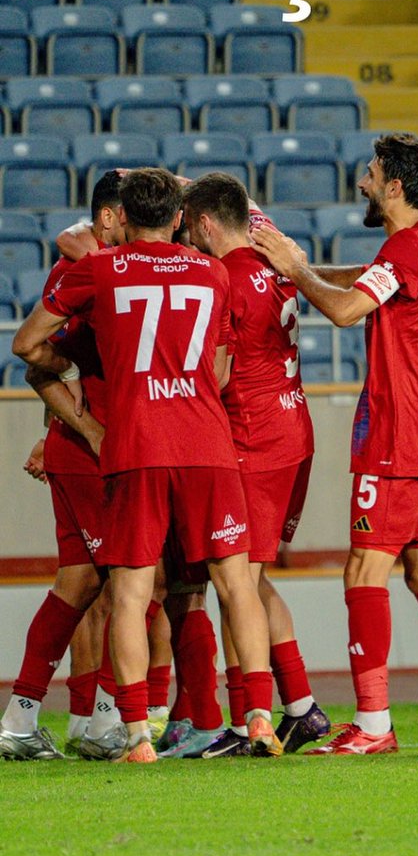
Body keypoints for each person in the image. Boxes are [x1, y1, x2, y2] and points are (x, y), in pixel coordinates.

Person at [251, 132, 418, 753]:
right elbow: (365, 281)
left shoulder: (404, 247)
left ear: (394, 185)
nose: (363, 182)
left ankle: (373, 724)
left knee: (364, 569)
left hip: (398, 434)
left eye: (371, 174)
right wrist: (297, 270)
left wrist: (295, 270)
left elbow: (347, 310)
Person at [13, 167, 274, 763]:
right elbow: (221, 371)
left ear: (124, 217)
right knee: (236, 583)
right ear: (179, 218)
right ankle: (259, 717)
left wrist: (74, 367)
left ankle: (135, 735)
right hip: (207, 445)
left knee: (130, 592)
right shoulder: (212, 272)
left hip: (136, 447)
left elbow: (25, 344)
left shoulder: (100, 269)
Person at [182, 172, 330, 756]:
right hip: (293, 430)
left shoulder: (223, 276)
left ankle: (250, 722)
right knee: (254, 580)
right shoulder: (274, 259)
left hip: (253, 438)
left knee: (235, 582)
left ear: (205, 224)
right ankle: (301, 708)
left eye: (190, 228)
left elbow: (217, 373)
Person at [0, 173, 122, 760]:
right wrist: (88, 428)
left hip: (77, 447)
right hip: (92, 452)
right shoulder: (89, 274)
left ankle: (22, 721)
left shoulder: (92, 266)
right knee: (133, 580)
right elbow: (32, 358)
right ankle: (104, 721)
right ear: (108, 218)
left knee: (79, 582)